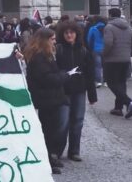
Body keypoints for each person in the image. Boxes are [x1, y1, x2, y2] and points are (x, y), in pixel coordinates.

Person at [24, 28, 78, 175]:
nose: (55, 41)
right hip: (47, 98)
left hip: (51, 98)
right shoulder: (39, 57)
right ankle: (47, 159)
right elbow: (48, 79)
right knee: (48, 131)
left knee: (51, 130)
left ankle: (50, 157)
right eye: (52, 39)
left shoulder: (44, 55)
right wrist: (65, 75)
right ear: (45, 40)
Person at [55, 21, 97, 162]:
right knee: (62, 122)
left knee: (78, 121)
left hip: (79, 90)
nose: (69, 35)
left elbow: (90, 73)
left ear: (76, 34)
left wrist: (92, 95)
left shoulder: (84, 50)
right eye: (66, 33)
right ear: (62, 34)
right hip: (63, 90)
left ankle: (74, 151)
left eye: (71, 32)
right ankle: (57, 151)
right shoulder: (58, 49)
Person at [102, 8, 132, 118]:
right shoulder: (127, 27)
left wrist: (103, 54)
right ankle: (118, 108)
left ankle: (129, 102)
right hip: (125, 59)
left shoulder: (109, 27)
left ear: (110, 15)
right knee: (121, 83)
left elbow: (108, 43)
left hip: (112, 60)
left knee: (111, 83)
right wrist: (128, 53)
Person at [86, 16, 106, 88]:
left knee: (97, 66)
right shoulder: (107, 28)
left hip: (95, 49)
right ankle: (106, 81)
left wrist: (90, 48)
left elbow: (89, 39)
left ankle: (98, 82)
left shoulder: (93, 29)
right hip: (105, 49)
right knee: (105, 65)